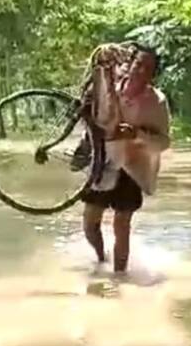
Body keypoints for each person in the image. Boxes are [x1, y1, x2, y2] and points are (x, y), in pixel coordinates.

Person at [72, 43, 170, 273]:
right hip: (103, 161)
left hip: (132, 168)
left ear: (153, 74)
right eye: (138, 64)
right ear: (130, 64)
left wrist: (137, 134)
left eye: (147, 68)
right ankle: (100, 259)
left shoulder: (157, 102)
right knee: (90, 223)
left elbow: (164, 142)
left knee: (122, 226)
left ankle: (119, 279)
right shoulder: (110, 86)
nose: (140, 71)